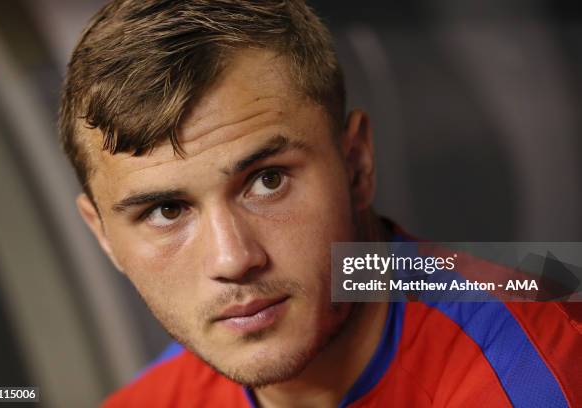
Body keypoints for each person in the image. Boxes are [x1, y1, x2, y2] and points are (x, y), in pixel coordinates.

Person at [59, 1, 581, 406]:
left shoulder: (532, 371)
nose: (233, 259)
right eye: (167, 211)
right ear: (103, 235)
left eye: (267, 181)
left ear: (356, 165)